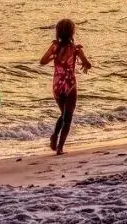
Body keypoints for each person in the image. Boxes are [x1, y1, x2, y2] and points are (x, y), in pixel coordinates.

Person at [39, 19, 91, 155]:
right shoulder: (75, 49)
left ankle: (54, 136)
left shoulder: (54, 47)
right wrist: (84, 63)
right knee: (67, 117)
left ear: (58, 32)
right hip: (70, 85)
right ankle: (60, 147)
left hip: (57, 85)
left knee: (63, 114)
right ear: (72, 33)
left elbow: (42, 61)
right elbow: (88, 64)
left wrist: (53, 57)